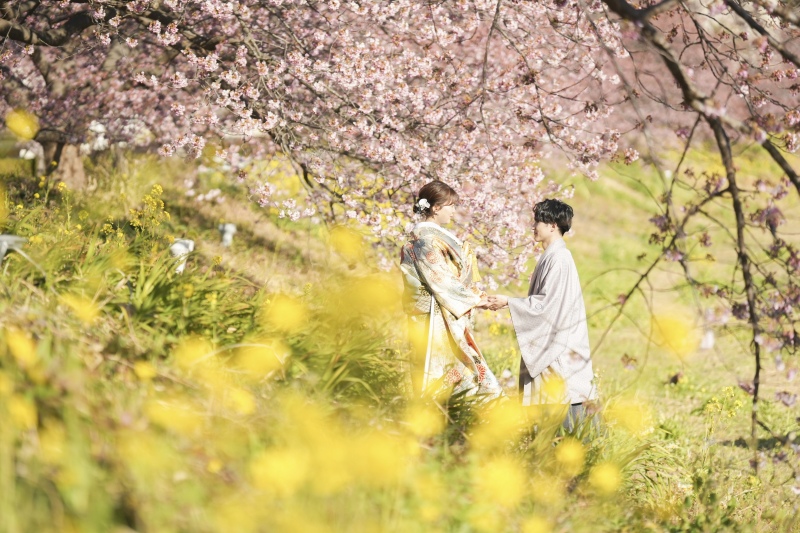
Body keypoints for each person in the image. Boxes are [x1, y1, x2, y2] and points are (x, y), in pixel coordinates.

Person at [486, 199, 596, 430]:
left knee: (556, 414)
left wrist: (508, 302)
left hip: (559, 346)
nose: (534, 226)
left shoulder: (559, 258)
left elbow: (548, 305)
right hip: (558, 340)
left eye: (538, 221)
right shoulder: (555, 256)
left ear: (553, 224)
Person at [399, 181, 503, 398]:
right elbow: (442, 280)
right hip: (434, 316)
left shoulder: (430, 237)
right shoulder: (424, 240)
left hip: (445, 310)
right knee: (441, 371)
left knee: (456, 369)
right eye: (451, 205)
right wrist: (478, 299)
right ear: (436, 208)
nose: (454, 211)